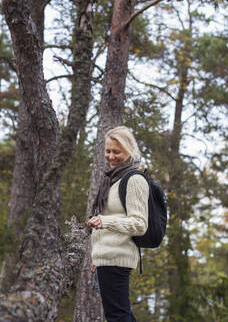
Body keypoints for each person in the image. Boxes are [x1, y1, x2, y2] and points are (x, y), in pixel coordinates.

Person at [86, 126, 149, 322]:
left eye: (116, 151)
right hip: (106, 257)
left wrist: (104, 221)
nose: (111, 156)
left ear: (129, 151)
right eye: (108, 151)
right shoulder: (112, 181)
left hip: (118, 256)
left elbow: (139, 224)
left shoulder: (134, 180)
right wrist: (96, 255)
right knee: (120, 315)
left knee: (118, 316)